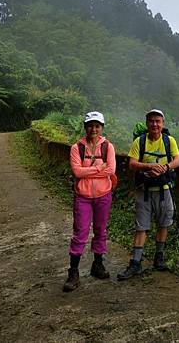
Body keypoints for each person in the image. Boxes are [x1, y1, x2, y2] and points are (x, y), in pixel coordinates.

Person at [118, 108, 179, 280]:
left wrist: (164, 168)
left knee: (163, 224)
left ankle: (158, 258)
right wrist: (149, 167)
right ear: (147, 124)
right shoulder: (140, 141)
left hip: (164, 190)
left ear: (163, 124)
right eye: (151, 121)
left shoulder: (169, 141)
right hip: (143, 190)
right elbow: (132, 163)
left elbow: (177, 160)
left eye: (158, 121)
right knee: (141, 227)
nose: (155, 124)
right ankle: (136, 263)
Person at [63, 111, 116, 292]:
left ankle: (97, 264)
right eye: (90, 125)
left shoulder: (108, 147)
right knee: (80, 233)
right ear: (85, 127)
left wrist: (91, 169)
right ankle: (73, 271)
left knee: (101, 230)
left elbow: (111, 170)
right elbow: (77, 172)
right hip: (83, 197)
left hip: (103, 195)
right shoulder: (77, 148)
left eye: (97, 126)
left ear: (102, 128)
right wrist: (98, 167)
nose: (94, 129)